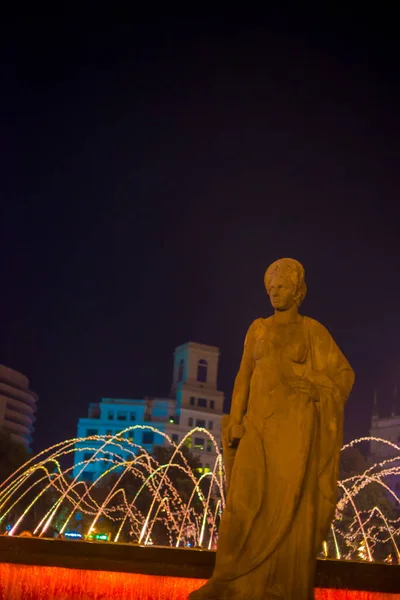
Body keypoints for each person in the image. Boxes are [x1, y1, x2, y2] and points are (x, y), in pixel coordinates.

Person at [189, 258, 354, 600]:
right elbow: (242, 378)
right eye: (270, 288)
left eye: (281, 287)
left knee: (289, 510)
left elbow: (343, 377)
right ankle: (225, 582)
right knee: (240, 505)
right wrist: (235, 420)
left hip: (294, 435)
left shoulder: (312, 332)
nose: (275, 293)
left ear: (297, 291)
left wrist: (315, 386)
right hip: (256, 429)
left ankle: (277, 588)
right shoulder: (258, 329)